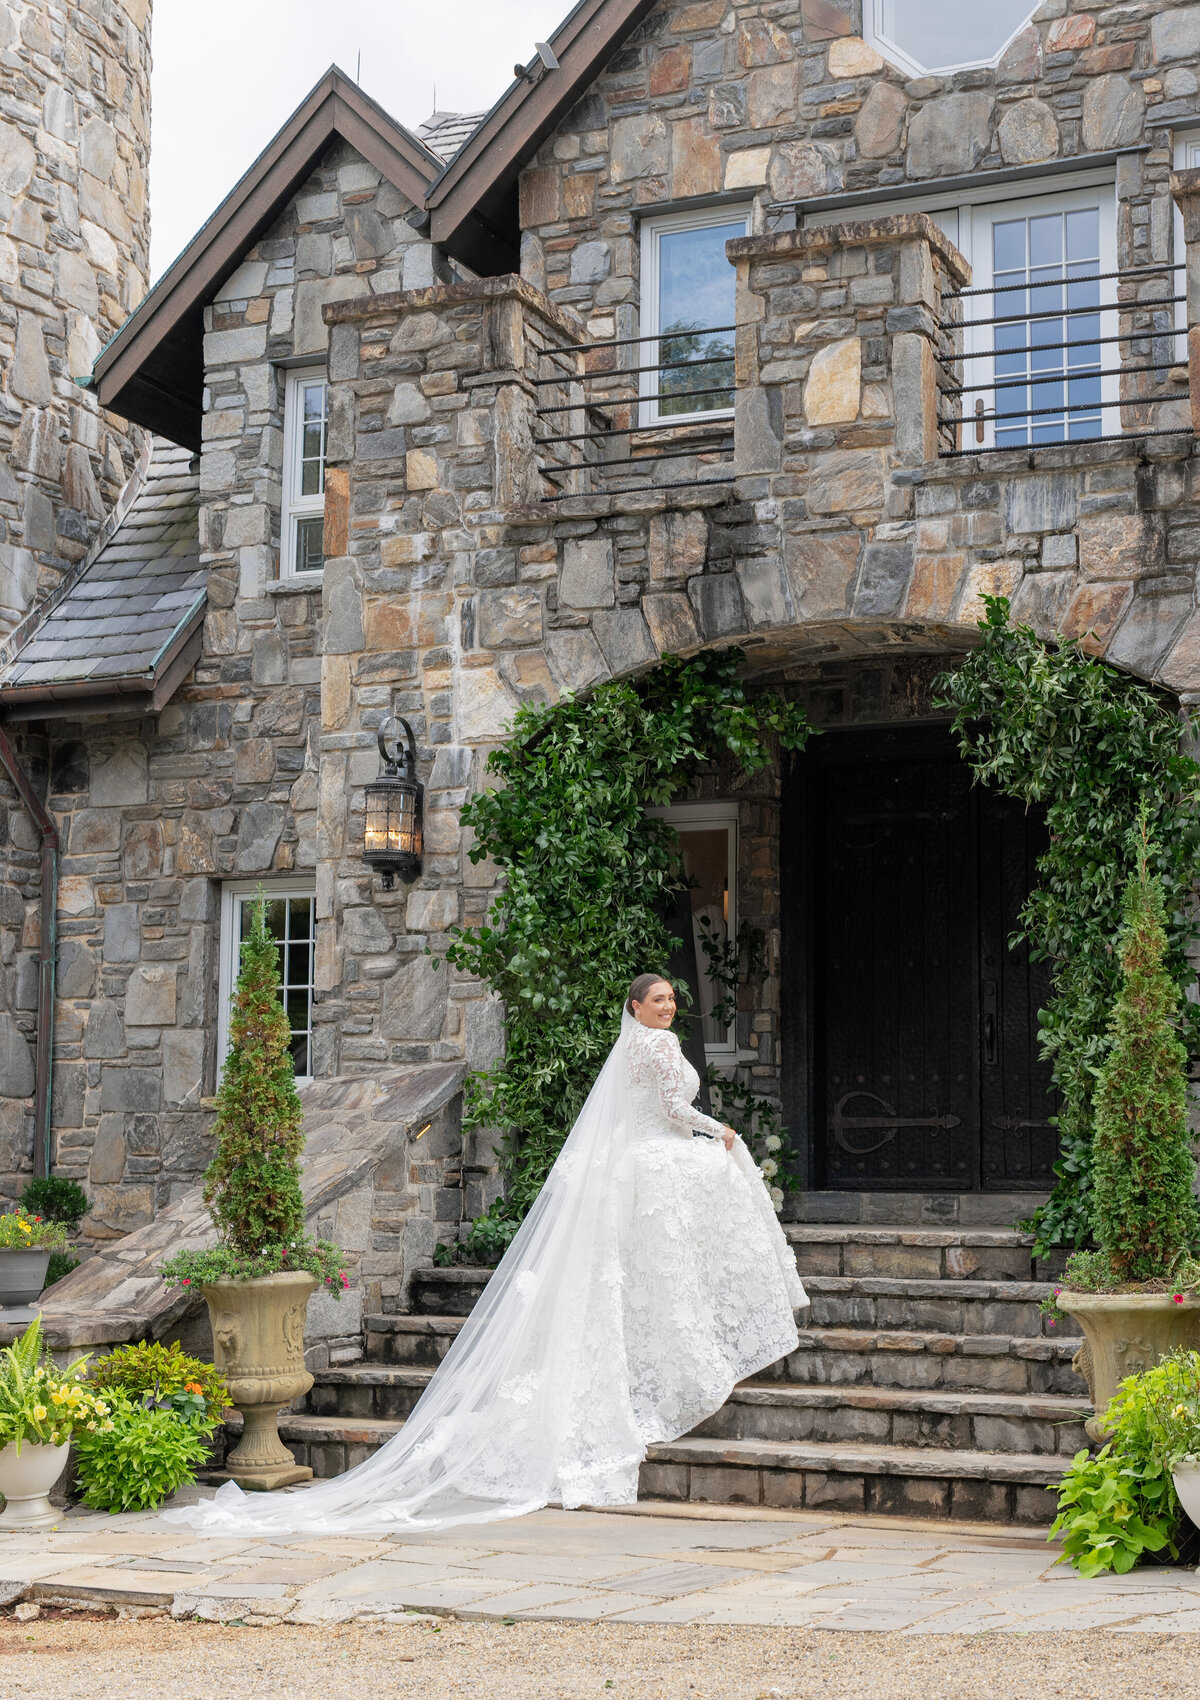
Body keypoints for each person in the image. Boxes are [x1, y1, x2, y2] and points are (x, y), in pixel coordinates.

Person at [163, 974, 806, 1536]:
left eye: (671, 999)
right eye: (658, 999)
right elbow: (671, 1110)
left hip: (627, 1165)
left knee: (632, 1276)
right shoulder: (658, 1046)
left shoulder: (632, 1046)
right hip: (648, 1161)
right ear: (635, 1007)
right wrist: (716, 1130)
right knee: (715, 1183)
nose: (668, 1007)